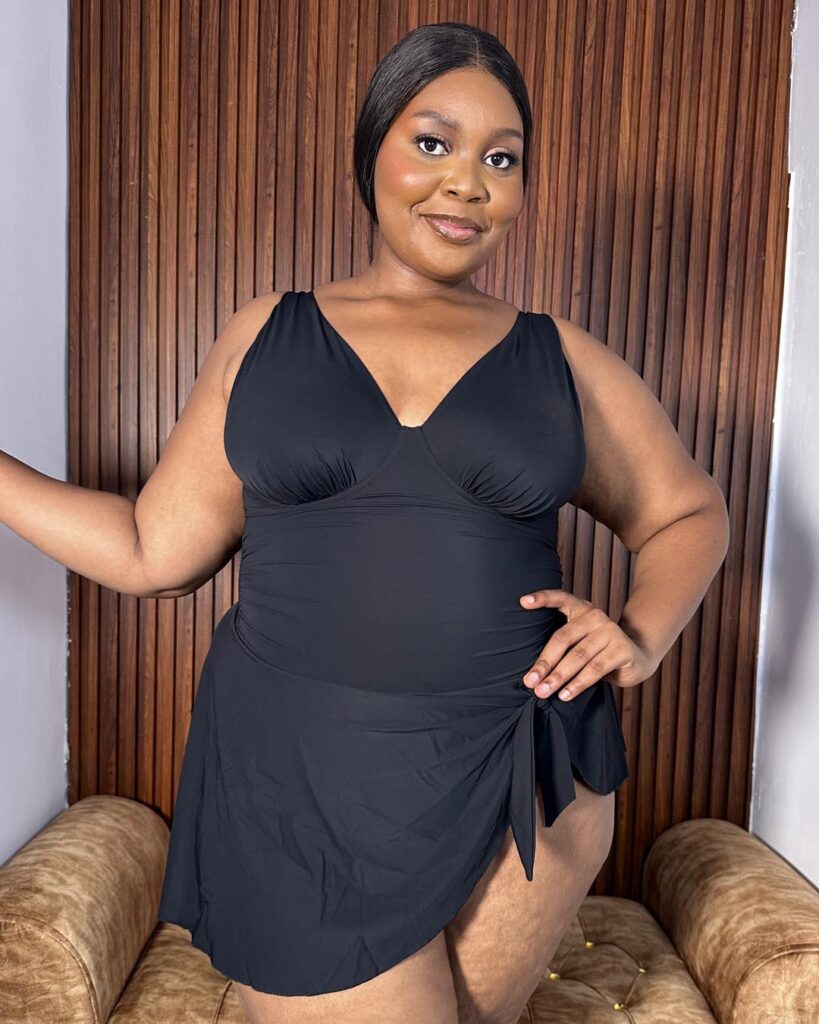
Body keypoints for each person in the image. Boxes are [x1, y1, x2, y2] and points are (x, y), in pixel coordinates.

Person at [0, 20, 730, 1024]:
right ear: (371, 149)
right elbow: (149, 550)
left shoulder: (560, 357)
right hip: (299, 782)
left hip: (522, 775)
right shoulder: (268, 333)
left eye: (501, 160)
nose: (467, 184)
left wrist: (641, 632)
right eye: (433, 142)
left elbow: (689, 509)